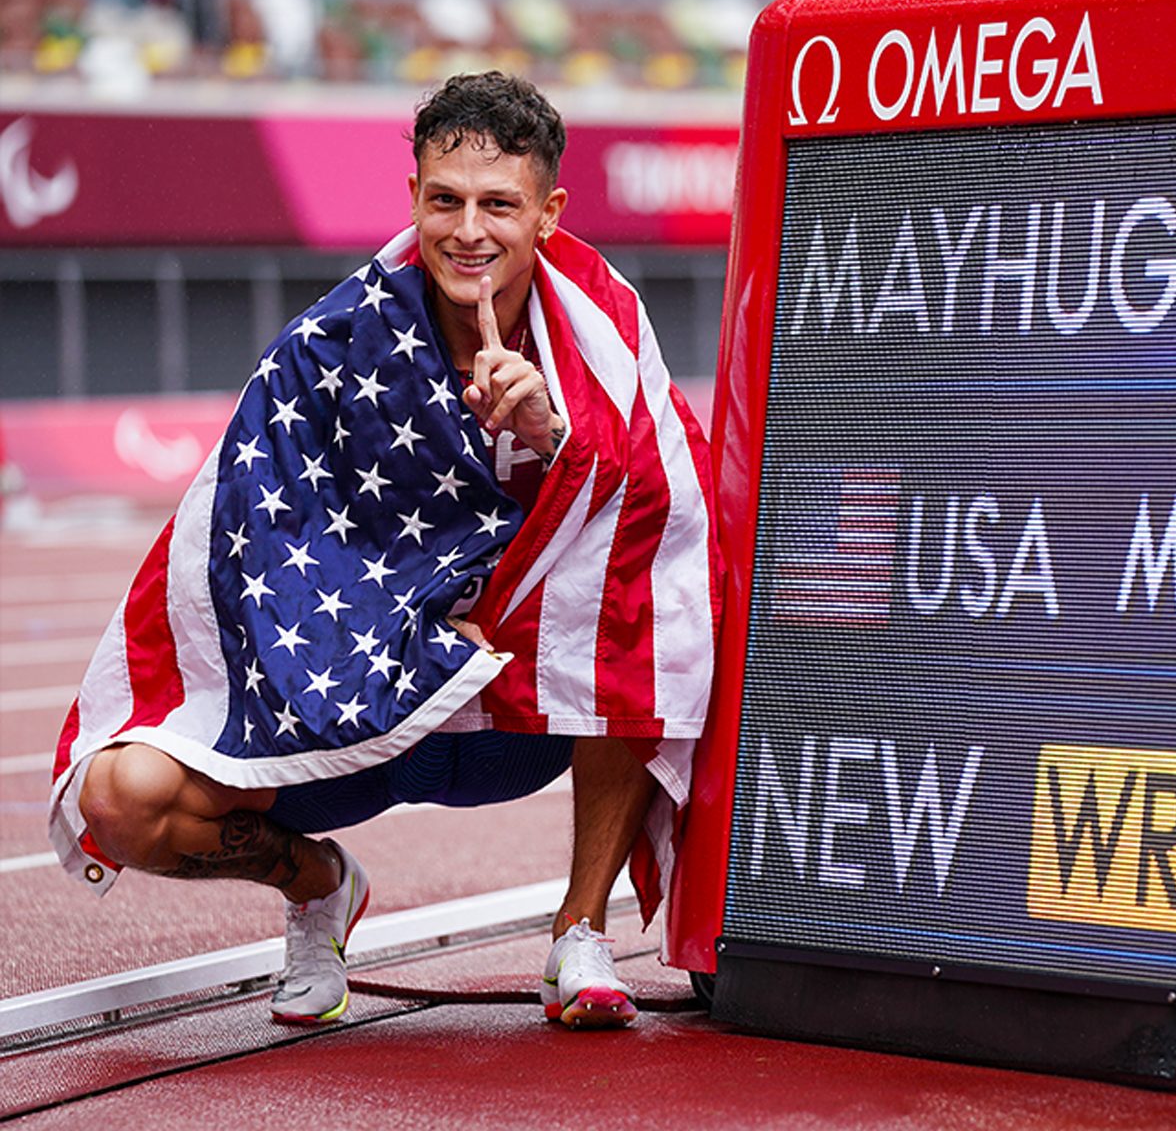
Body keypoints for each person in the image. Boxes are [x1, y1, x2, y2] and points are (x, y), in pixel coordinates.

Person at [47, 72, 718, 1030]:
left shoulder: (601, 340)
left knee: (638, 612)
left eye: (500, 205)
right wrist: (386, 615)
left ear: (550, 212)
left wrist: (552, 436)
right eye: (444, 200)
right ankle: (317, 886)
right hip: (342, 706)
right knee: (122, 801)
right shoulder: (327, 346)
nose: (469, 231)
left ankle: (580, 933)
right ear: (412, 197)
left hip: (510, 719)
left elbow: (663, 526)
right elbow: (247, 539)